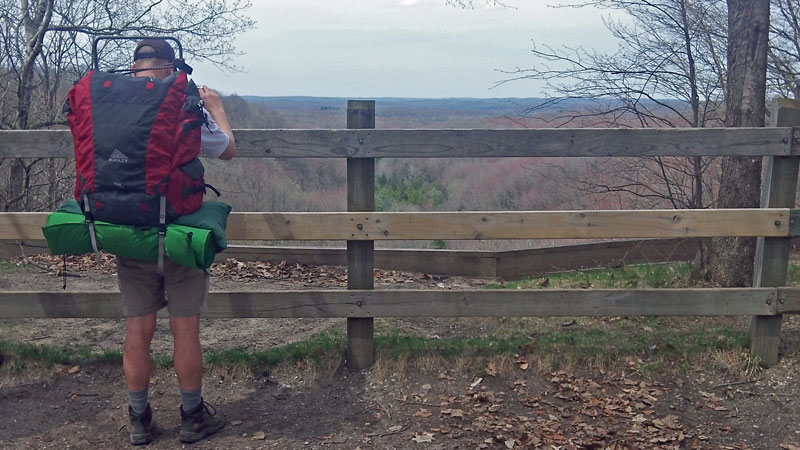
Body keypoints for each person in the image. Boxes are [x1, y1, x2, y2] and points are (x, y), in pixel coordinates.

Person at [121, 38, 235, 446]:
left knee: (139, 328)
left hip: (130, 231)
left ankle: (138, 419)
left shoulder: (112, 104)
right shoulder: (181, 103)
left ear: (133, 70)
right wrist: (216, 110)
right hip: (179, 232)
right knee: (185, 329)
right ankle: (191, 416)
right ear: (171, 68)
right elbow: (226, 149)